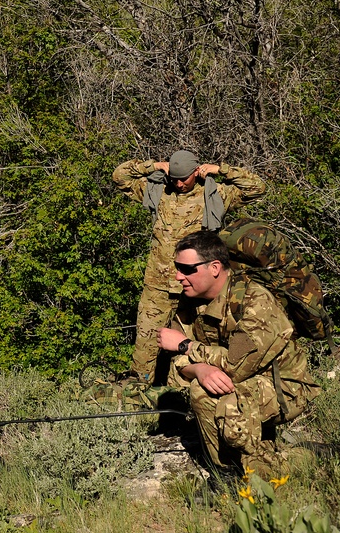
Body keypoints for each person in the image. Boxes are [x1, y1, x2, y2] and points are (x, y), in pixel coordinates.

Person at [157, 231, 320, 478]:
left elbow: (234, 364)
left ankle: (233, 473)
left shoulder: (255, 302)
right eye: (177, 268)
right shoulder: (190, 302)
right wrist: (200, 369)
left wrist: (187, 347)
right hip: (242, 382)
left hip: (284, 388)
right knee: (205, 386)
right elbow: (178, 365)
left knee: (205, 393)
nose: (179, 276)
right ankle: (238, 469)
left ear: (214, 268)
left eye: (187, 269)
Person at [113, 150, 267, 386]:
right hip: (158, 285)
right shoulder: (159, 191)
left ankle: (183, 393)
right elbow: (119, 177)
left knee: (193, 341)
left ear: (196, 171)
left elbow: (257, 187)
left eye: (183, 178)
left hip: (197, 287)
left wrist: (221, 170)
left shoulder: (214, 194)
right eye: (174, 177)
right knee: (146, 342)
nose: (178, 183)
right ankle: (139, 391)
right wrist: (152, 165)